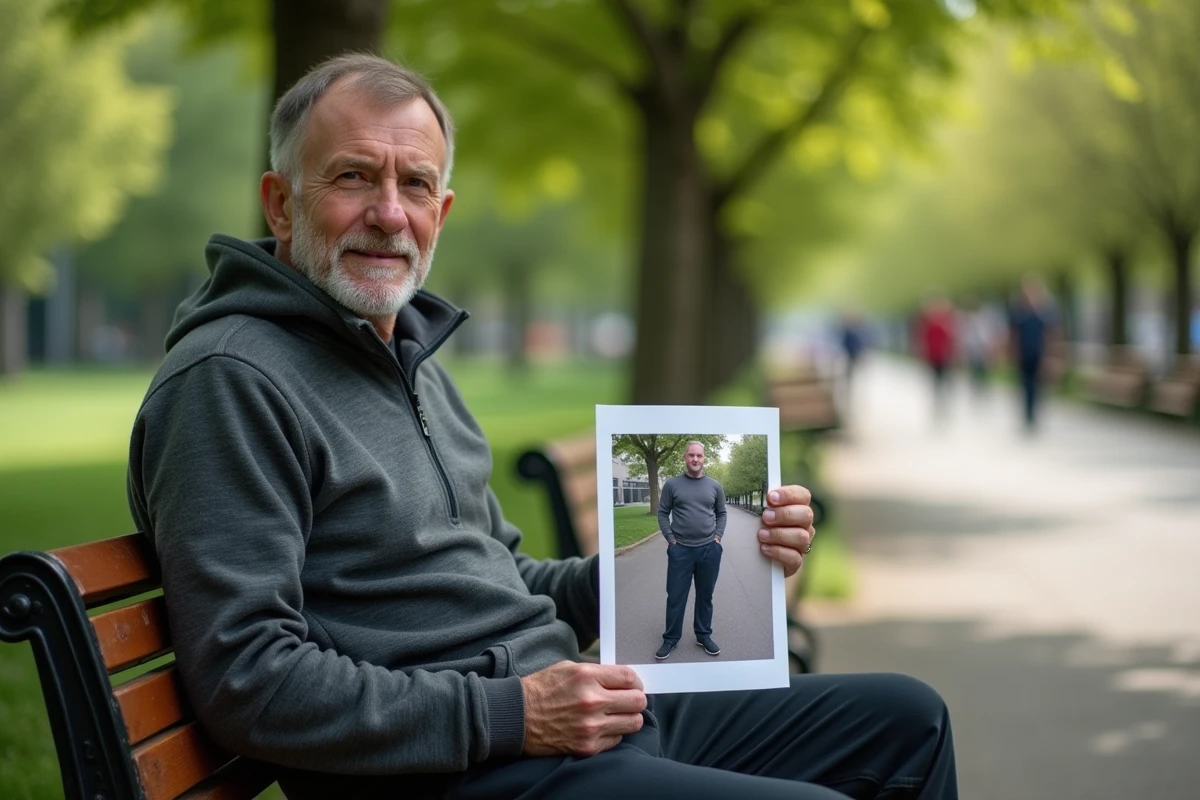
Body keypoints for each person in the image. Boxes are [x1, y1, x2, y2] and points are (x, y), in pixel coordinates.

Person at [127, 54, 957, 799]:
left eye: (414, 184)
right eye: (352, 177)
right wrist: (511, 714)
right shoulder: (229, 381)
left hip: (573, 721)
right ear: (280, 204)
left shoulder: (412, 361)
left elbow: (509, 581)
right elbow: (248, 677)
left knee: (910, 720)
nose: (388, 212)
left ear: (441, 212)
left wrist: (720, 548)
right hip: (464, 768)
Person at [654, 441, 727, 660]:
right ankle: (670, 638)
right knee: (676, 597)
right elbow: (662, 512)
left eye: (699, 456)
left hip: (708, 549)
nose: (695, 459)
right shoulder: (672, 484)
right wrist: (671, 539)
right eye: (691, 455)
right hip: (681, 551)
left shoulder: (715, 486)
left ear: (704, 458)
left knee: (705, 596)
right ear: (685, 458)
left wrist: (717, 538)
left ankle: (703, 635)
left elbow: (721, 513)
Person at [1009, 275, 1057, 431]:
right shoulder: (1020, 314)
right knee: (1025, 385)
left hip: (1039, 355)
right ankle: (1027, 415)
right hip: (1024, 355)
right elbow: (1014, 335)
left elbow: (1050, 336)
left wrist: (1049, 357)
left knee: (1038, 387)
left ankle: (1034, 414)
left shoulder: (1044, 314)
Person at [914, 295, 957, 423]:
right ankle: (938, 405)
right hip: (932, 356)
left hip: (944, 356)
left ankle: (944, 405)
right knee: (936, 382)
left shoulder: (947, 321)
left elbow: (952, 340)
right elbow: (921, 339)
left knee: (944, 381)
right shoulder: (926, 323)